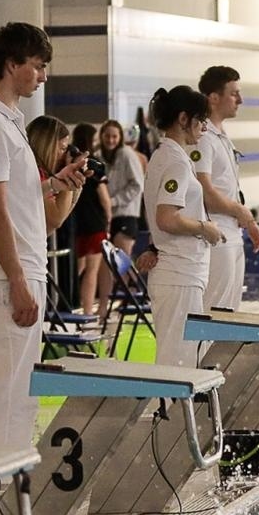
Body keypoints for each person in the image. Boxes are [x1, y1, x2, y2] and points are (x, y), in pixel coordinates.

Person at [0, 22, 88, 452]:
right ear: (11, 65)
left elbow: (14, 199)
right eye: (37, 66)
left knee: (22, 395)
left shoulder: (10, 123)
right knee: (8, 395)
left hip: (22, 270)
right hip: (6, 276)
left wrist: (54, 185)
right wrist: (16, 279)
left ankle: (10, 484)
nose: (43, 76)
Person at [142, 86, 223, 368]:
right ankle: (170, 412)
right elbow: (166, 217)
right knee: (178, 359)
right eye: (200, 121)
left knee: (183, 355)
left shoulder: (167, 157)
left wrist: (154, 245)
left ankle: (173, 411)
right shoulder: (175, 162)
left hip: (179, 270)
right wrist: (205, 227)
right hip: (178, 274)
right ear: (184, 119)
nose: (203, 129)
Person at [191, 66, 259, 312]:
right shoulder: (202, 138)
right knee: (216, 312)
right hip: (217, 234)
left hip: (232, 233)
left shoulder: (221, 136)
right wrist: (240, 212)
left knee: (230, 314)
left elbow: (229, 188)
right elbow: (204, 191)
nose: (240, 100)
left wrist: (248, 221)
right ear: (214, 97)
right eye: (234, 94)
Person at [67, 121, 112, 317]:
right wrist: (109, 218)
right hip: (95, 222)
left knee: (79, 266)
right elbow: (104, 198)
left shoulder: (71, 164)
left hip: (76, 221)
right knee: (92, 270)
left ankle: (67, 300)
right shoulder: (95, 166)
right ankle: (87, 310)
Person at [101, 119, 145, 259]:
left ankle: (129, 282)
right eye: (107, 136)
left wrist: (113, 201)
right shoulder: (100, 156)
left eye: (114, 136)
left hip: (126, 215)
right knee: (110, 267)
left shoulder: (126, 154)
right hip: (108, 217)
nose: (110, 140)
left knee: (123, 266)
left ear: (120, 137)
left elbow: (138, 185)